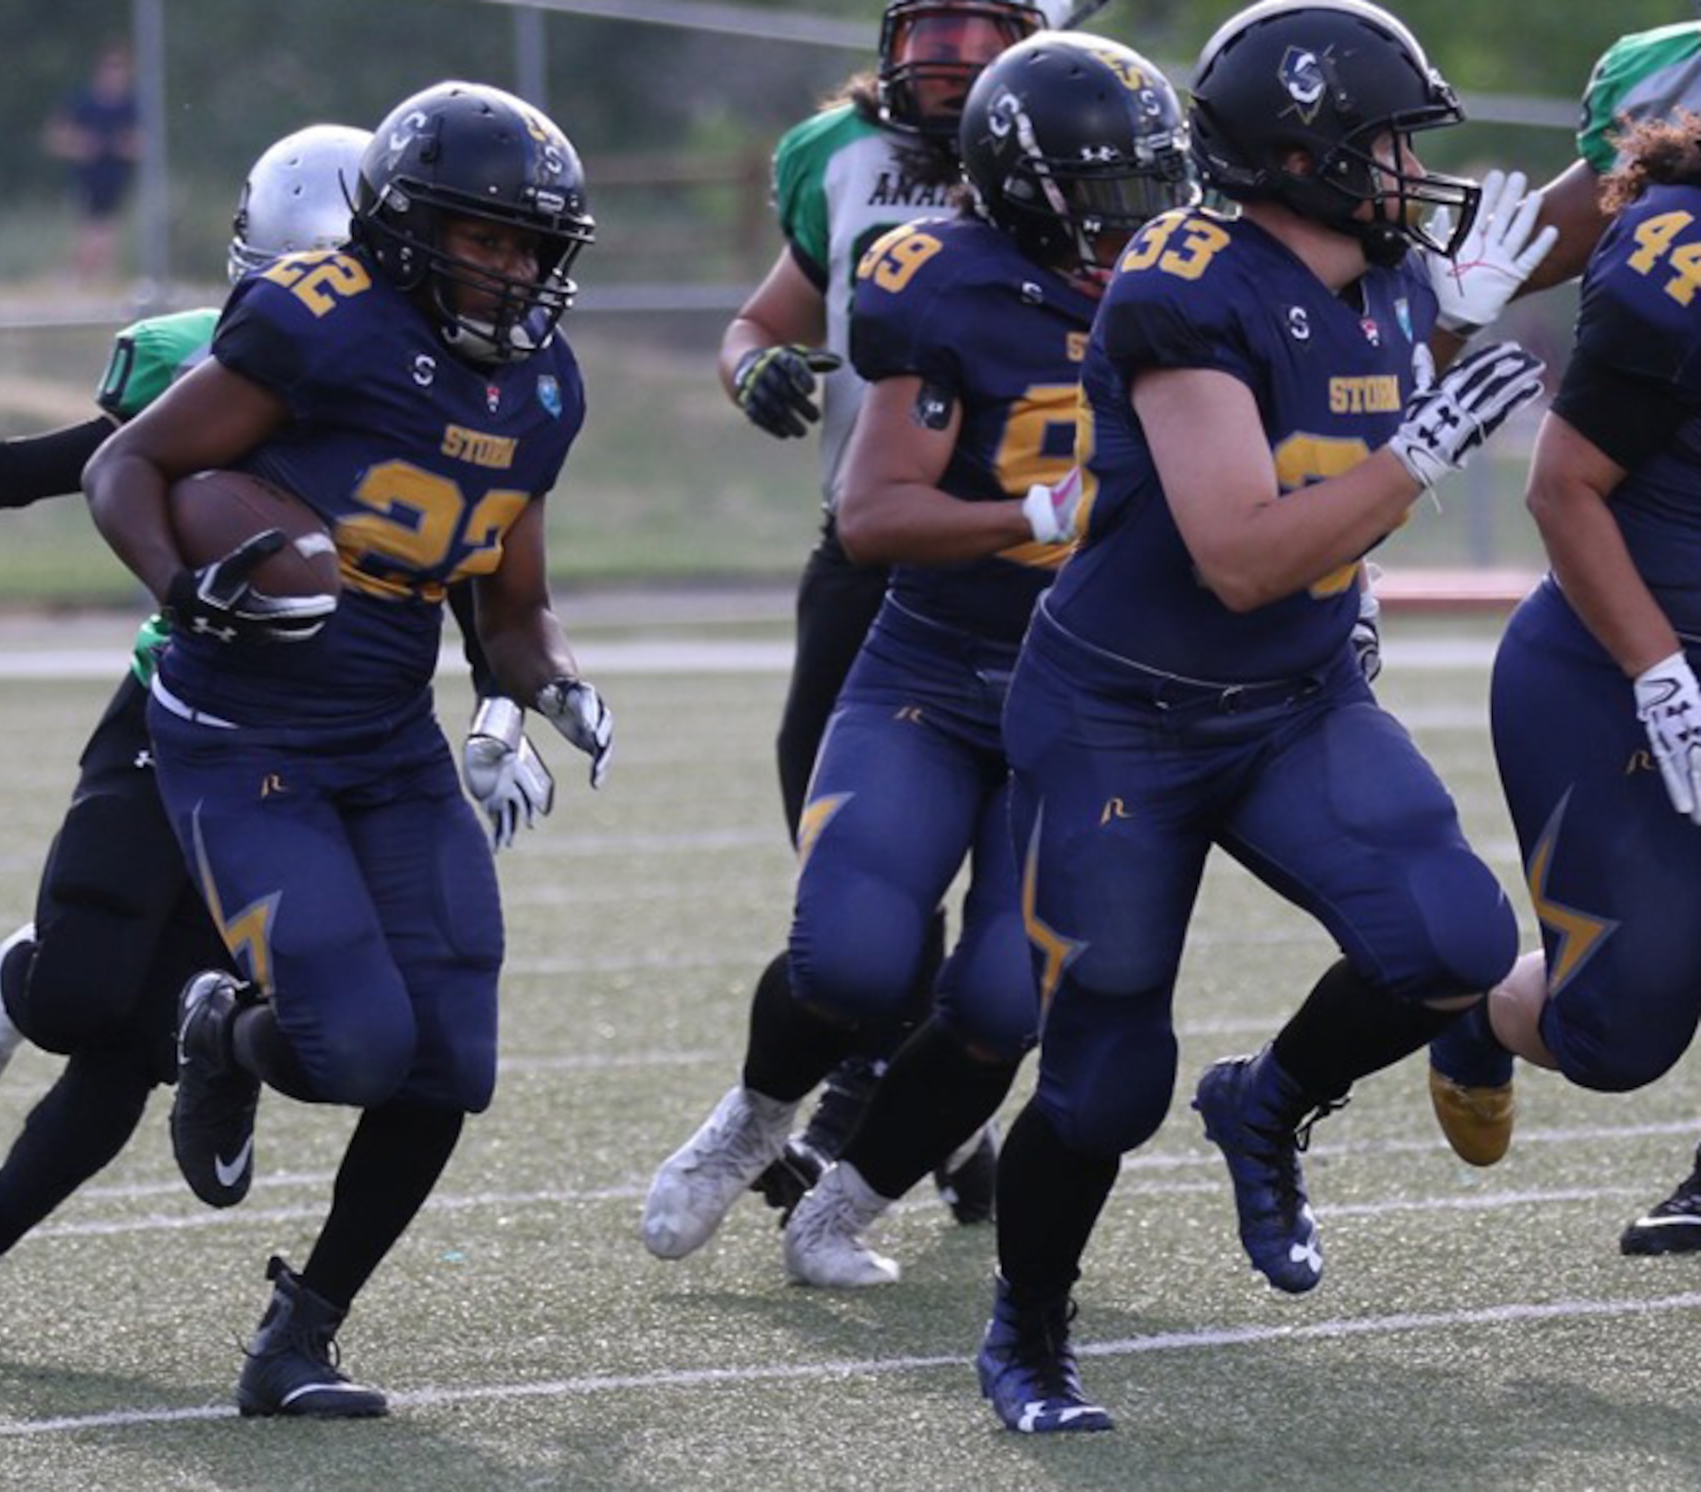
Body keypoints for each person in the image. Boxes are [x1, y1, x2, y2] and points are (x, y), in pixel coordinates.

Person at [0, 122, 561, 1359]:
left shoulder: (456, 373)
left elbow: (467, 568)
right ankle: (34, 975)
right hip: (188, 721)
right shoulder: (233, 350)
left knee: (142, 1049)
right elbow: (49, 468)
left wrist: (504, 710)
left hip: (343, 742)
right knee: (82, 1002)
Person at [974, 0, 1551, 1433]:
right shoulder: (1185, 280)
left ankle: (1271, 1098)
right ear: (1303, 156)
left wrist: (1444, 341)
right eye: (1390, 146)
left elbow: (1345, 408)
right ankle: (1027, 1332)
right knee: (1104, 1082)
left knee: (1454, 941)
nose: (1414, 175)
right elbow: (1239, 553)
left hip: (1292, 699)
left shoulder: (1392, 279)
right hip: (1124, 714)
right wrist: (1418, 453)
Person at [83, 80, 611, 1420]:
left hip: (385, 741)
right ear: (399, 224)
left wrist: (547, 684)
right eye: (478, 235)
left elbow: (513, 600)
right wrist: (175, 583)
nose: (506, 268)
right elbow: (128, 470)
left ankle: (301, 1332)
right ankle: (221, 1030)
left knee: (451, 1065)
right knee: (357, 1047)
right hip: (243, 731)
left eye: (527, 245)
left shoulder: (543, 384)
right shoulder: (317, 324)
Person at [642, 32, 1193, 1288]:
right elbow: (873, 512)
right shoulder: (939, 279)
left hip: (1085, 702)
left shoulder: (1187, 283)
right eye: (1106, 191)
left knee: (1004, 1003)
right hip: (935, 672)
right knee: (851, 958)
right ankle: (751, 1118)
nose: (1137, 218)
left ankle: (842, 1205)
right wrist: (1035, 517)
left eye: (1148, 183)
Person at [721, 0, 1045, 1228]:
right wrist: (748, 358)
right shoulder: (834, 157)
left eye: (981, 39)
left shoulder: (1088, 152)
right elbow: (766, 315)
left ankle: (887, 1111)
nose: (948, 64)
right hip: (875, 556)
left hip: (1041, 576)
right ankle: (919, 1116)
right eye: (932, 32)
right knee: (854, 861)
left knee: (1010, 906)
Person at [1425, 15, 1701, 1256]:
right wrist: (1662, 673)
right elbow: (1559, 483)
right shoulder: (1671, 245)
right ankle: (1478, 1020)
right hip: (1622, 648)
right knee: (1620, 1034)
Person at [42, 41, 140, 285]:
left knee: (106, 235)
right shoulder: (83, 103)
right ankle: (77, 278)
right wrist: (80, 146)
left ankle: (91, 281)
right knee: (90, 234)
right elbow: (55, 137)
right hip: (87, 179)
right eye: (110, 67)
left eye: (119, 68)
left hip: (115, 180)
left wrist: (124, 146)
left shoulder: (131, 106)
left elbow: (141, 143)